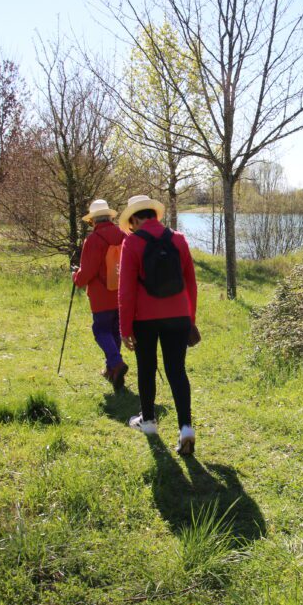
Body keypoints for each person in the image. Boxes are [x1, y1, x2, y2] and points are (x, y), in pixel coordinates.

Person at [117, 195, 199, 455]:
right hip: (178, 317)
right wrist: (190, 320)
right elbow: (191, 284)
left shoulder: (131, 243)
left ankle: (149, 421)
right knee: (177, 371)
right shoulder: (179, 240)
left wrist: (125, 328)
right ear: (154, 215)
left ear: (135, 219)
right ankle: (185, 427)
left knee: (147, 368)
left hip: (145, 319)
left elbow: (126, 291)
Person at [73, 199, 129, 388]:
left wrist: (76, 278)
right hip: (121, 292)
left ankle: (116, 363)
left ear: (94, 220)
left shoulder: (94, 240)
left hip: (101, 295)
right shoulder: (123, 235)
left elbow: (87, 271)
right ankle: (111, 370)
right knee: (114, 331)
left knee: (101, 330)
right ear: (109, 217)